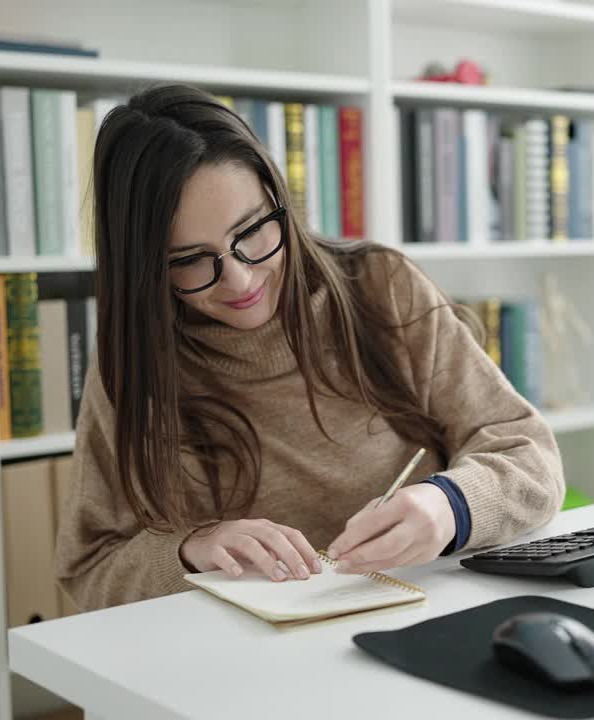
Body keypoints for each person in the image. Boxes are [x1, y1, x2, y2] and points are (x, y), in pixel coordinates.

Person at [54, 85, 565, 611]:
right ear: (146, 269)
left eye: (252, 230)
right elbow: (87, 570)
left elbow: (532, 456)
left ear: (279, 200)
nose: (240, 278)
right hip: (245, 666)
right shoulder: (136, 363)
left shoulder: (378, 288)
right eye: (190, 260)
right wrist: (188, 551)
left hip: (424, 616)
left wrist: (451, 506)